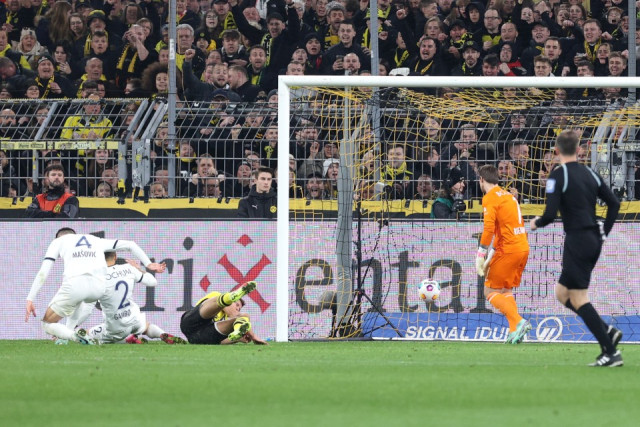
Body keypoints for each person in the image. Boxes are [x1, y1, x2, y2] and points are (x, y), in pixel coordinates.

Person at [529, 130, 623, 367]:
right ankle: (606, 331)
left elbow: (550, 214)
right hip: (591, 239)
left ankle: (610, 352)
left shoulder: (557, 175)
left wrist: (536, 223)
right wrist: (604, 232)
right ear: (579, 150)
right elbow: (614, 203)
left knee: (579, 298)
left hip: (578, 240)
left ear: (556, 151)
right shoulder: (590, 173)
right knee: (562, 294)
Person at [25, 228, 166, 345]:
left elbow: (43, 272)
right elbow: (131, 244)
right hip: (99, 287)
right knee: (80, 303)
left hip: (74, 286)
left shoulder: (58, 242)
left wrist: (30, 298)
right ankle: (66, 337)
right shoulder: (96, 240)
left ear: (59, 237)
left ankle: (74, 336)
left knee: (46, 323)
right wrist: (148, 264)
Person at [475, 165, 531, 344]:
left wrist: (481, 254)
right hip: (522, 247)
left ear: (481, 180)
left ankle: (519, 321)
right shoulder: (509, 196)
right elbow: (502, 229)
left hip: (508, 249)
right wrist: (491, 255)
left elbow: (489, 229)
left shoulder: (489, 198)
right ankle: (515, 330)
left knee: (489, 290)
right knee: (505, 290)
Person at [82, 251, 184, 345]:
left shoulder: (97, 277)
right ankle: (162, 334)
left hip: (116, 326)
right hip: (134, 319)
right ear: (115, 256)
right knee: (146, 326)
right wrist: (138, 269)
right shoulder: (128, 268)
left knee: (84, 334)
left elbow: (88, 303)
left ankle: (128, 340)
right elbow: (153, 282)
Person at [180, 281, 267, 345]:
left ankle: (237, 330)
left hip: (198, 339)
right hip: (190, 323)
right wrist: (252, 335)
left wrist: (237, 339)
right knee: (241, 314)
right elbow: (233, 313)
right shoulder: (215, 295)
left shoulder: (224, 320)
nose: (237, 308)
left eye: (239, 308)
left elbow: (220, 342)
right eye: (237, 305)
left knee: (241, 318)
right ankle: (230, 297)